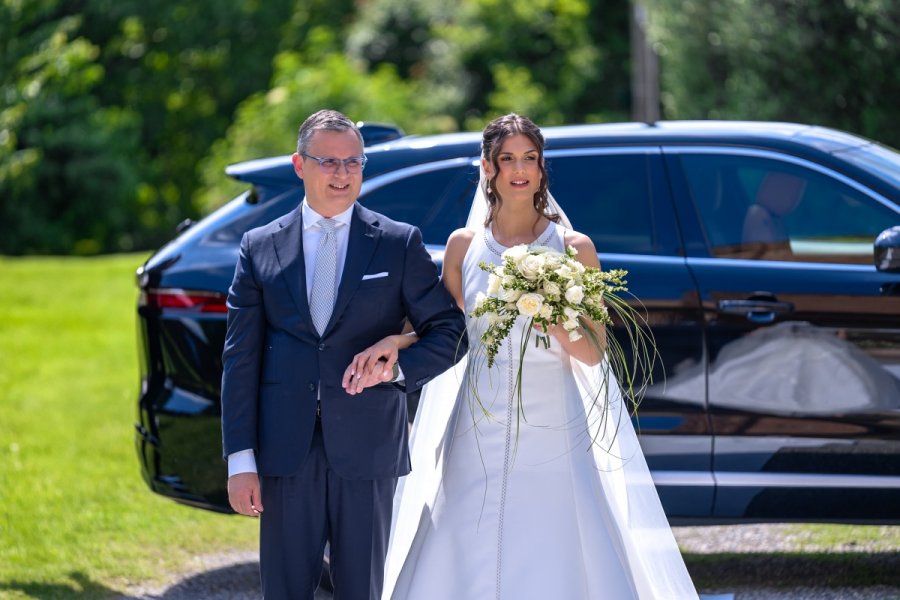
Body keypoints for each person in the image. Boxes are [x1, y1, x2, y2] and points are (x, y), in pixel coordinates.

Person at [346, 114, 698, 599]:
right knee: (464, 523)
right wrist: (395, 342)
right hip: (478, 415)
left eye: (529, 158)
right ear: (487, 167)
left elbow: (593, 353)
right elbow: (446, 331)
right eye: (507, 158)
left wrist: (551, 312)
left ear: (541, 167)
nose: (519, 169)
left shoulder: (575, 248)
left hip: (553, 417)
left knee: (553, 532)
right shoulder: (462, 247)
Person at [220, 109, 468, 600]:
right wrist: (239, 460)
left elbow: (450, 330)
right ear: (299, 164)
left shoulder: (398, 243)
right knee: (285, 590)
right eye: (328, 162)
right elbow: (240, 360)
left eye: (353, 163)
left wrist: (395, 367)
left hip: (368, 448)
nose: (342, 174)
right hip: (285, 452)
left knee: (362, 590)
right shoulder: (260, 247)